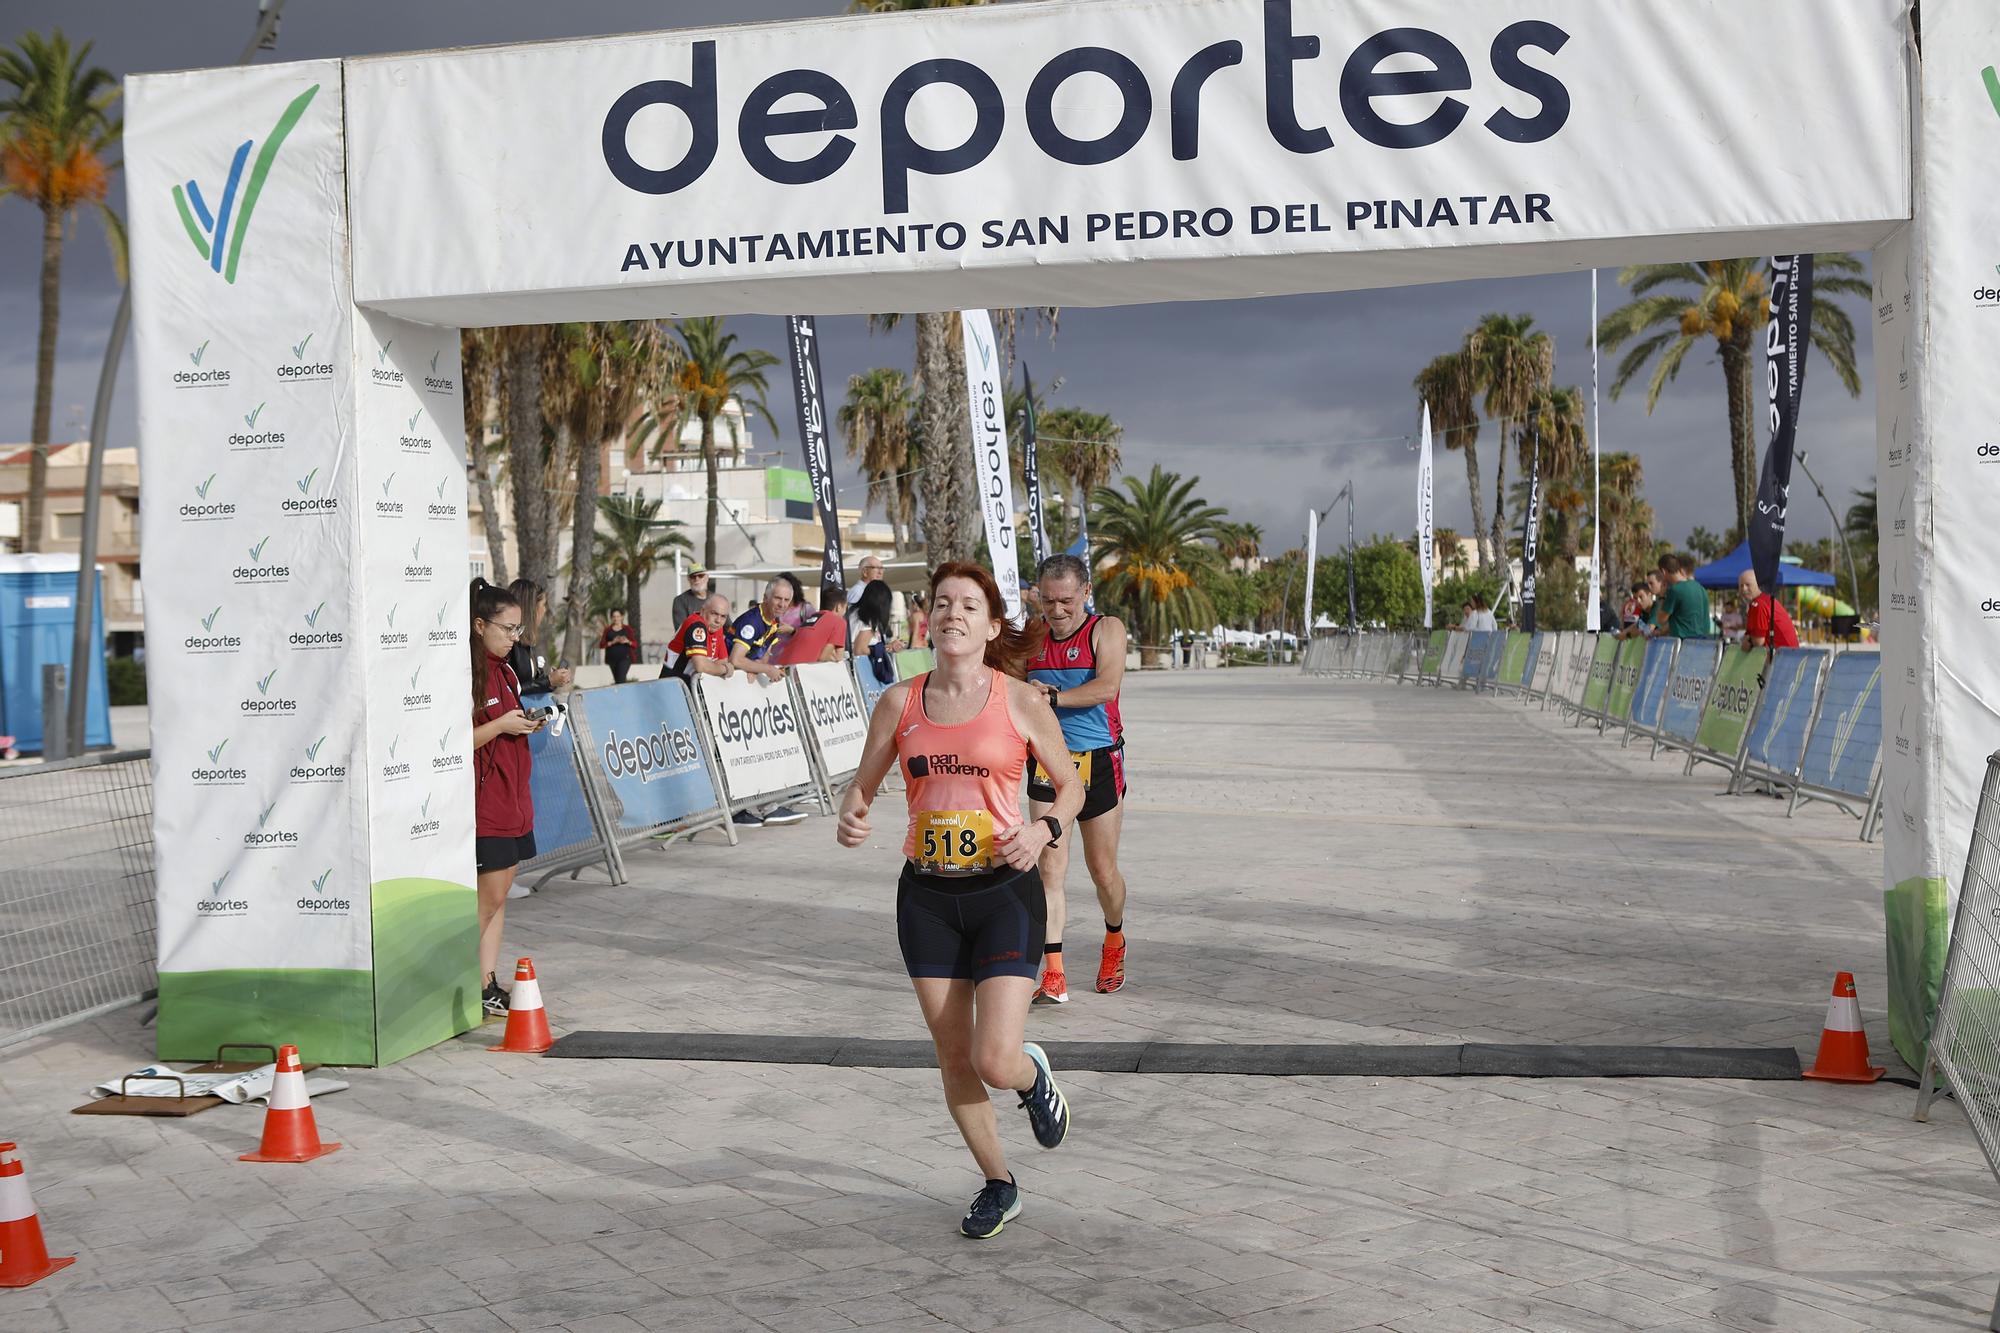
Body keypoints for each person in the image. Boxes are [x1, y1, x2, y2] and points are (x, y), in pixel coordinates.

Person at [836, 561, 1083, 1238]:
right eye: (943, 603)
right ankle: (1000, 1182)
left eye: (969, 605)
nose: (953, 614)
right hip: (927, 900)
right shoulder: (900, 702)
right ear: (930, 617)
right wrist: (852, 815)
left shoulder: (1020, 701)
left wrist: (1043, 829)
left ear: (991, 623)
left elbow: (1071, 788)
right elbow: (860, 789)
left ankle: (1029, 1075)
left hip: (1005, 890)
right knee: (953, 1057)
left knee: (993, 1057)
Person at [1023, 553, 1132, 1004]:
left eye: (1066, 600)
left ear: (1085, 593)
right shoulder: (1031, 636)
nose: (1057, 611)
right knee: (1049, 867)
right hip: (1048, 762)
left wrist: (1053, 697)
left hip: (1099, 758)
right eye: (1048, 601)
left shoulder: (1106, 629)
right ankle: (1053, 973)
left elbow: (1107, 685)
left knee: (1102, 871)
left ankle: (1114, 939)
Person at [470, 579, 544, 1016]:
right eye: (508, 628)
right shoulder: (467, 672)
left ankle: (485, 983)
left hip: (514, 800)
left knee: (499, 901)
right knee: (486, 901)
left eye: (519, 629)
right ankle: (449, 986)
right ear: (480, 625)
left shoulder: (506, 669)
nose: (515, 638)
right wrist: (500, 727)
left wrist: (524, 723)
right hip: (487, 806)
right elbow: (452, 742)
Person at [729, 578, 806, 827]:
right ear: (766, 597)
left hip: (741, 695)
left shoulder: (774, 623)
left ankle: (764, 806)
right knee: (734, 754)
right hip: (724, 696)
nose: (782, 604)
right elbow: (737, 658)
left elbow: (763, 652)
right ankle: (746, 809)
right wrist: (763, 668)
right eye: (777, 599)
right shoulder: (752, 621)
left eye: (786, 600)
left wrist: (760, 667)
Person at [506, 578, 574, 696]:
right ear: (532, 608)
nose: (545, 609)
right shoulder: (508, 644)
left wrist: (552, 681)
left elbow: (527, 684)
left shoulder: (524, 643)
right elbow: (509, 690)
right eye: (544, 605)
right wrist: (548, 681)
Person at [664, 594, 735, 680]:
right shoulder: (696, 625)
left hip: (689, 684)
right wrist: (726, 669)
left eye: (723, 616)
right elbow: (700, 665)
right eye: (714, 613)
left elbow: (723, 660)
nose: (718, 620)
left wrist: (714, 667)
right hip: (673, 684)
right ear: (702, 611)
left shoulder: (716, 627)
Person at [777, 585, 852, 665]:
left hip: (782, 664)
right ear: (838, 607)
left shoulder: (813, 617)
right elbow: (836, 657)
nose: (845, 612)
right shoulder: (839, 621)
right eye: (845, 607)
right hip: (801, 670)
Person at [1738, 570, 1799, 650]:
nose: (1744, 589)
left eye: (1748, 585)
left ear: (1758, 585)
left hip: (1784, 656)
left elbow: (1758, 641)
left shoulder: (1759, 604)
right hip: (1789, 654)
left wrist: (1748, 641)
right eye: (1741, 586)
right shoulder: (1765, 600)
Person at [850, 579, 897, 681]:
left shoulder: (853, 612)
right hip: (858, 671)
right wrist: (876, 650)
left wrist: (884, 648)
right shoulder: (868, 619)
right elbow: (860, 649)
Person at [1658, 555, 1713, 638]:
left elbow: (1661, 620)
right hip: (1703, 643)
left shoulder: (1675, 590)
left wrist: (1661, 596)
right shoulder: (1701, 588)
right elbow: (1683, 620)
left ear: (1663, 571)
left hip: (1684, 644)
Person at [597, 609, 639, 684]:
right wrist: (613, 642)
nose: (616, 618)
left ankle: (623, 695)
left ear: (622, 617)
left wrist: (627, 641)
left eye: (618, 616)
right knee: (617, 681)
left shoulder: (627, 629)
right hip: (612, 659)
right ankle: (621, 694)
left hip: (625, 658)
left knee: (621, 680)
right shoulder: (608, 630)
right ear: (611, 618)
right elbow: (602, 645)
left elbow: (635, 644)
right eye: (614, 616)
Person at [671, 566, 711, 632]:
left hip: (714, 640)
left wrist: (733, 638)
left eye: (700, 575)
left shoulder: (716, 599)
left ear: (707, 577)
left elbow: (728, 627)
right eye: (693, 576)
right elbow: (681, 630)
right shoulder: (680, 601)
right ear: (688, 579)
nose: (697, 579)